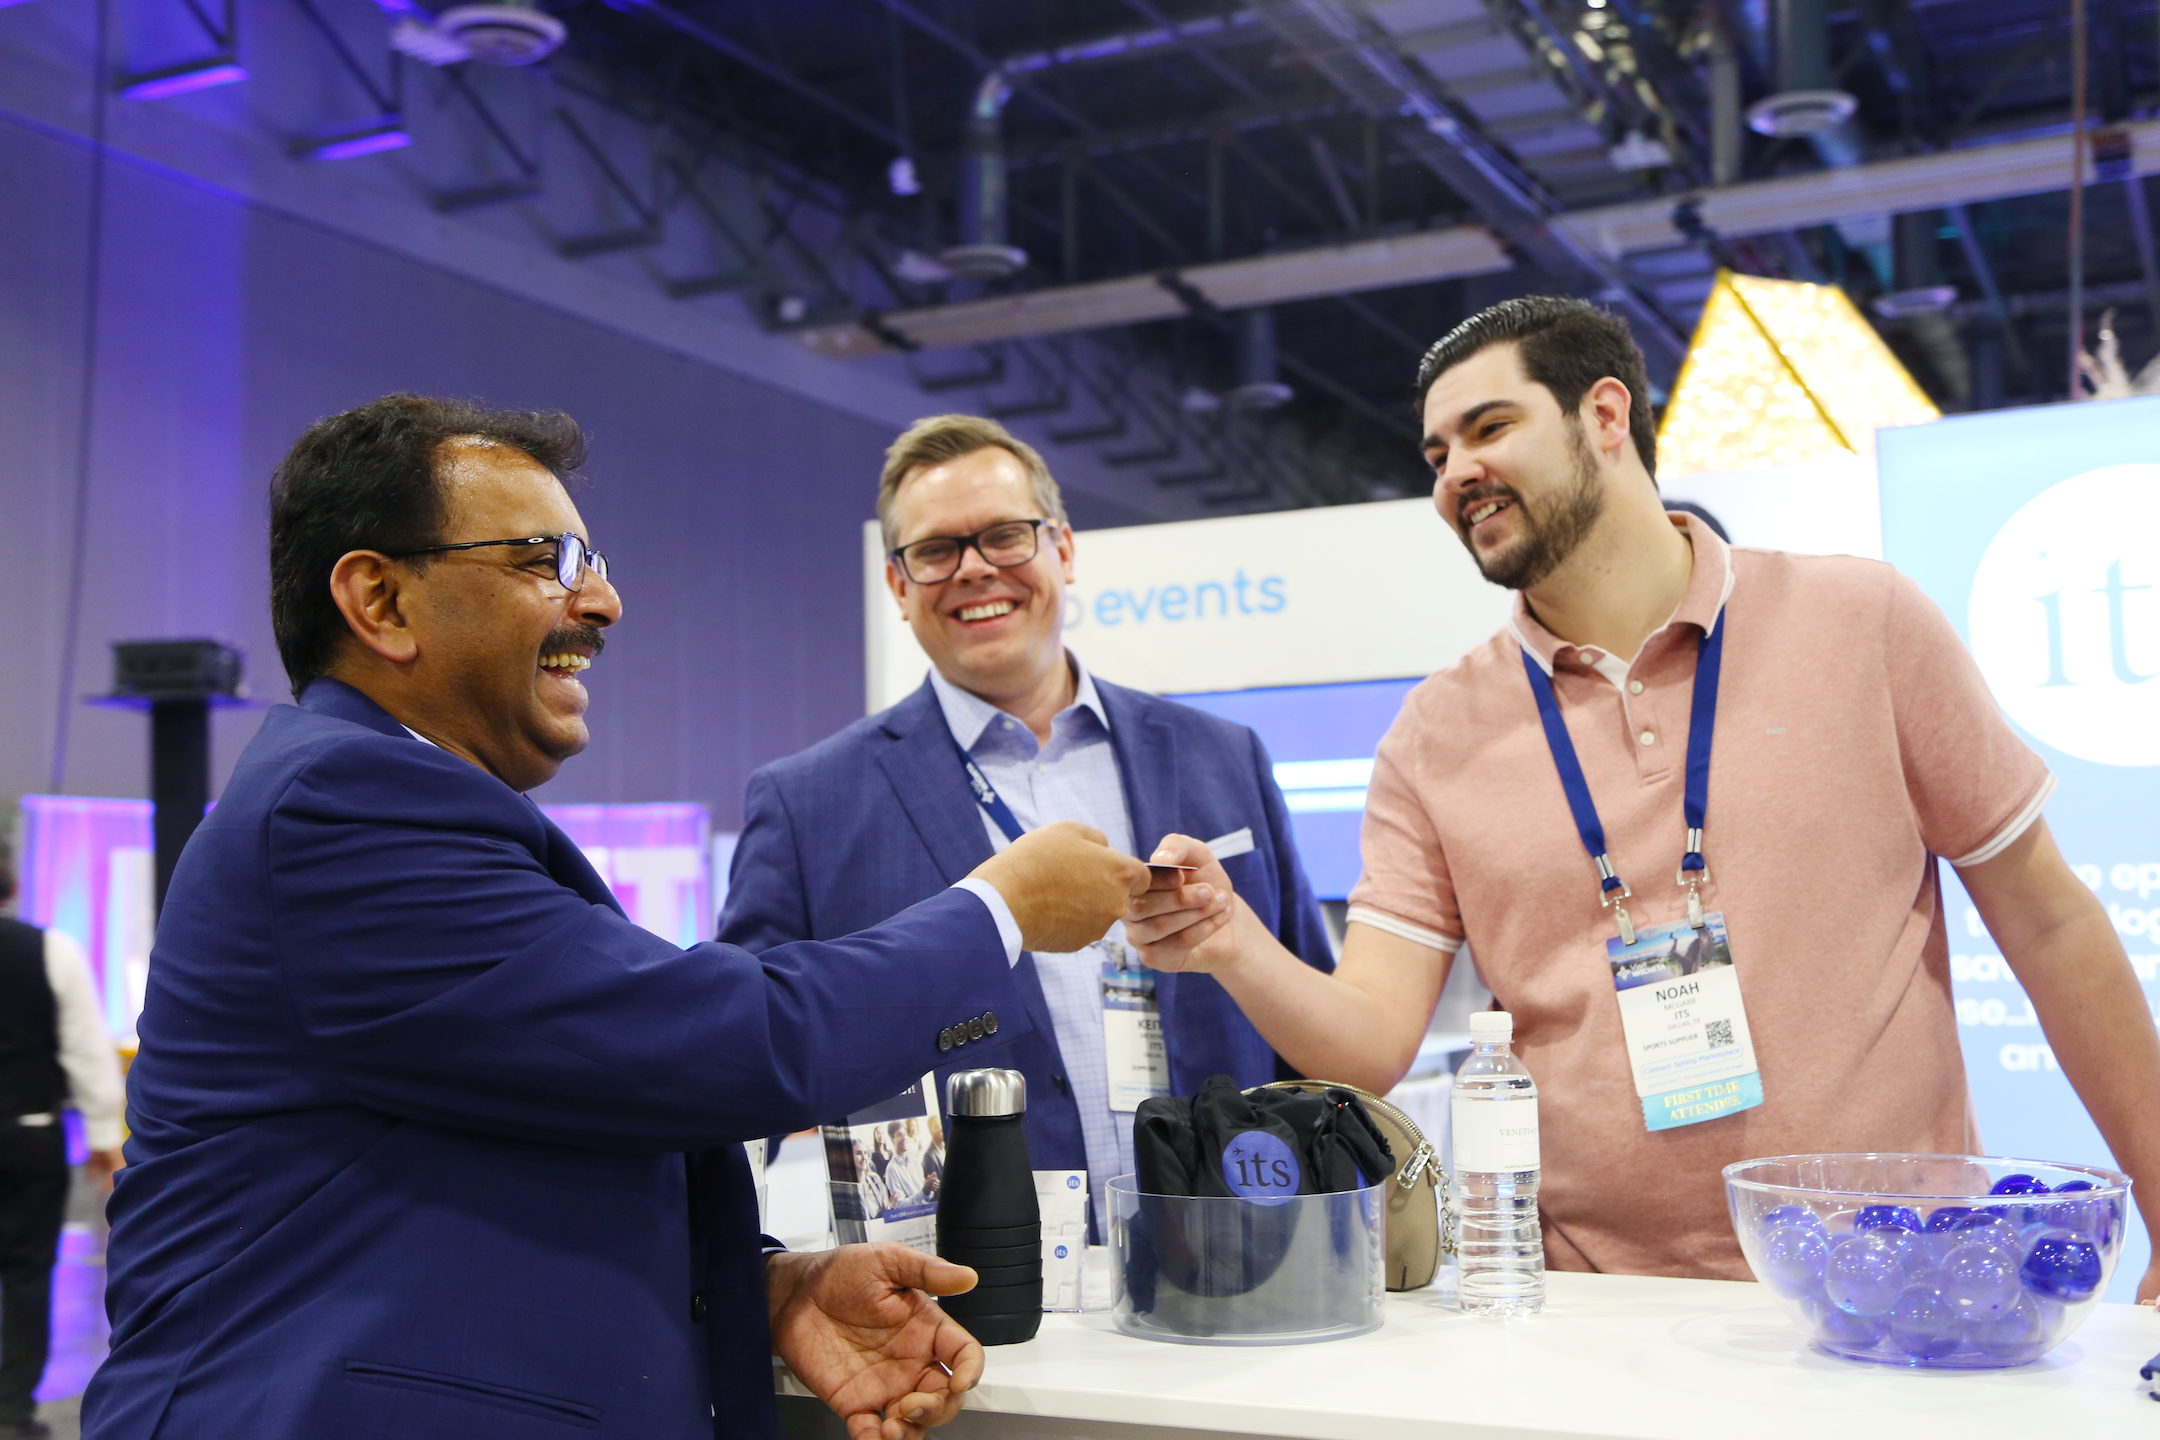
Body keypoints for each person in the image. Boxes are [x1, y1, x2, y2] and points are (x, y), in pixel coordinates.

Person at [80, 395, 1152, 1440]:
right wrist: (999, 912)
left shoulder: (392, 806)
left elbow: (520, 1145)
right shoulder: (341, 809)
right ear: (380, 601)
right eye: (546, 561)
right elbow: (729, 1041)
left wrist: (762, 1286)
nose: (602, 603)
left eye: (594, 564)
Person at [1127, 296, 2160, 1298]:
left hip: (1896, 1279)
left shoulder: (1862, 621)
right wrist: (1231, 942)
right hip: (1592, 1308)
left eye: (1490, 427)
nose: (1457, 476)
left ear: (1606, 416)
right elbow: (1371, 1042)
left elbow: (2052, 924)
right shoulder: (1434, 735)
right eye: (1436, 455)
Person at [719, 415, 1334, 1233]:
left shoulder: (1223, 756)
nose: (974, 570)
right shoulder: (809, 805)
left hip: (1237, 1257)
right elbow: (744, 1065)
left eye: (1006, 536)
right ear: (898, 587)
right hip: (966, 1295)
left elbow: (1308, 1037)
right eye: (936, 551)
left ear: (1064, 550)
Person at [0, 840, 125, 1440]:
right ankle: (11, 1410)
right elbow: (85, 1051)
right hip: (29, 1136)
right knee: (26, 1273)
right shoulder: (49, 951)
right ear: (11, 886)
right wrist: (105, 1137)